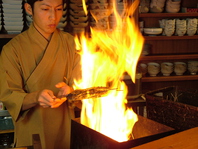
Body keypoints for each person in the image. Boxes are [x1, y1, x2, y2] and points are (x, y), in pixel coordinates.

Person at [0, 0, 81, 148]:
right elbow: (9, 96)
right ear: (29, 8)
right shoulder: (12, 50)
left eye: (58, 9)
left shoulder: (70, 42)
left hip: (66, 130)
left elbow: (83, 81)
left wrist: (72, 90)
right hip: (32, 132)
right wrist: (36, 97)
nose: (53, 17)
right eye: (45, 9)